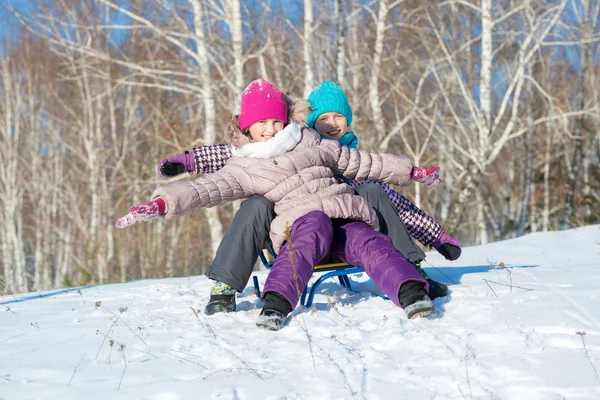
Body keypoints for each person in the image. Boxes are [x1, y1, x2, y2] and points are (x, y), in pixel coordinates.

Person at [116, 79, 441, 330]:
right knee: (308, 230)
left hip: (341, 216)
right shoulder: (243, 164)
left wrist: (410, 171)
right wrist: (161, 203)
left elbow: (362, 162)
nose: (271, 128)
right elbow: (206, 189)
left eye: (276, 121)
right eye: (262, 123)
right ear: (247, 127)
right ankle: (275, 304)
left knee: (366, 238)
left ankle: (411, 292)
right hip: (301, 223)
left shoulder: (312, 140)